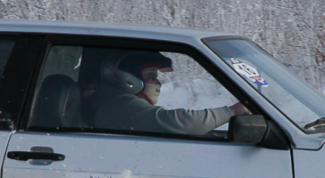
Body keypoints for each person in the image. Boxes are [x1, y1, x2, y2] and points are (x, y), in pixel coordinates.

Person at [93, 52, 250, 136]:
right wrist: (232, 111)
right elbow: (175, 122)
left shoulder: (111, 99)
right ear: (129, 79)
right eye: (152, 77)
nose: (158, 84)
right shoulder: (122, 105)